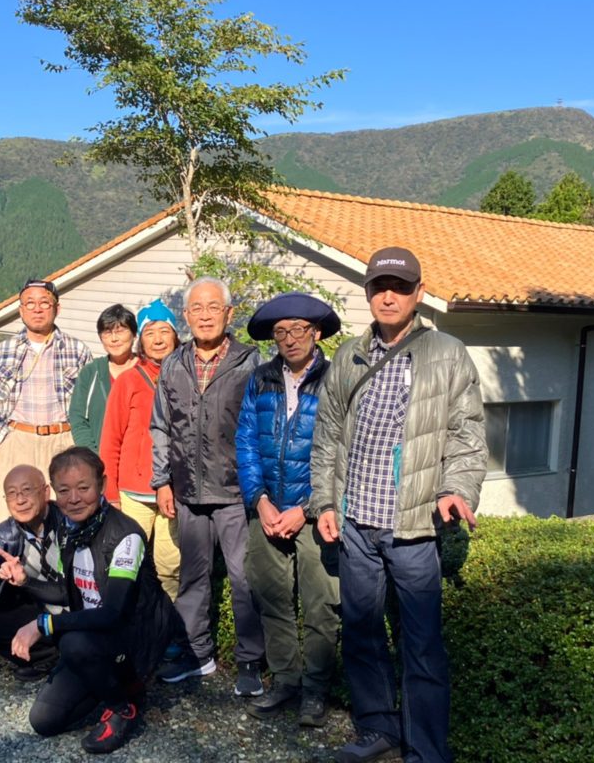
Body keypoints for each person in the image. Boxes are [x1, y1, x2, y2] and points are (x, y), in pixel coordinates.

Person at [311, 247, 487, 763]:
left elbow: (467, 434)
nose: (389, 296)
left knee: (422, 644)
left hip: (413, 526)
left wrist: (456, 490)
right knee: (361, 633)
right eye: (379, 286)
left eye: (401, 287)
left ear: (418, 293)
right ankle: (377, 729)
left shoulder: (448, 353)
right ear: (368, 292)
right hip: (356, 524)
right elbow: (327, 436)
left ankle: (427, 751)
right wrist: (325, 502)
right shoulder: (349, 354)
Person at [12, 447, 175, 754]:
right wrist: (25, 582)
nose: (74, 498)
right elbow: (66, 592)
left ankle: (123, 704)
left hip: (132, 638)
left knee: (72, 642)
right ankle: (106, 681)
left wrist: (44, 624)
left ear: (103, 484)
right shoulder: (67, 527)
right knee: (44, 721)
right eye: (64, 490)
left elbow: (112, 613)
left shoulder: (126, 535)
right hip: (94, 638)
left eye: (83, 488)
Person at [150, 277, 265, 697]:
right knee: (192, 578)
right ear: (186, 316)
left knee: (244, 578)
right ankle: (197, 654)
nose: (204, 315)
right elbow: (161, 426)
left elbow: (261, 428)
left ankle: (250, 660)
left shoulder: (251, 362)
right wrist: (162, 480)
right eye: (196, 308)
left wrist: (260, 487)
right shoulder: (173, 364)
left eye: (213, 307)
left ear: (229, 314)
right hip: (187, 490)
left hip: (236, 492)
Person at [236, 292, 342, 727]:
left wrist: (307, 507)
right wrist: (259, 500)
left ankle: (315, 690)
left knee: (321, 604)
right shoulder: (260, 379)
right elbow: (246, 442)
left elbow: (343, 452)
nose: (290, 338)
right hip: (267, 509)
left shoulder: (334, 380)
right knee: (272, 598)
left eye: (298, 329)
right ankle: (286, 680)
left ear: (316, 334)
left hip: (316, 514)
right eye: (281, 332)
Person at [0, 278, 92, 515]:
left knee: (67, 514)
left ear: (57, 308)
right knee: (13, 515)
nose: (37, 309)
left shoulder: (78, 350)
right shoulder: (5, 350)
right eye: (30, 303)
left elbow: (89, 405)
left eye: (44, 303)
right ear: (21, 310)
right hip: (16, 439)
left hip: (64, 440)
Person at [99, 299, 181, 600]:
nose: (158, 339)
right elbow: (111, 439)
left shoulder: (187, 377)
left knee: (170, 566)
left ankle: (169, 622)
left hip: (176, 491)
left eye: (164, 331)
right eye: (150, 333)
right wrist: (111, 493)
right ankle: (124, 619)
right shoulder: (129, 381)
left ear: (176, 336)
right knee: (127, 563)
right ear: (140, 341)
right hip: (134, 492)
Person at [0, 464, 65, 682]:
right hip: (39, 606)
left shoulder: (68, 521)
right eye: (12, 493)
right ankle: (50, 657)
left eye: (27, 490)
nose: (20, 500)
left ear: (46, 492)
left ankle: (69, 653)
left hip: (74, 607)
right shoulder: (7, 532)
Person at [68, 304, 138, 452]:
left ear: (134, 334)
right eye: (107, 332)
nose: (114, 339)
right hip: (100, 457)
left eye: (120, 331)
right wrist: (93, 456)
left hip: (141, 459)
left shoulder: (147, 371)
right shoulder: (91, 373)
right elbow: (78, 419)